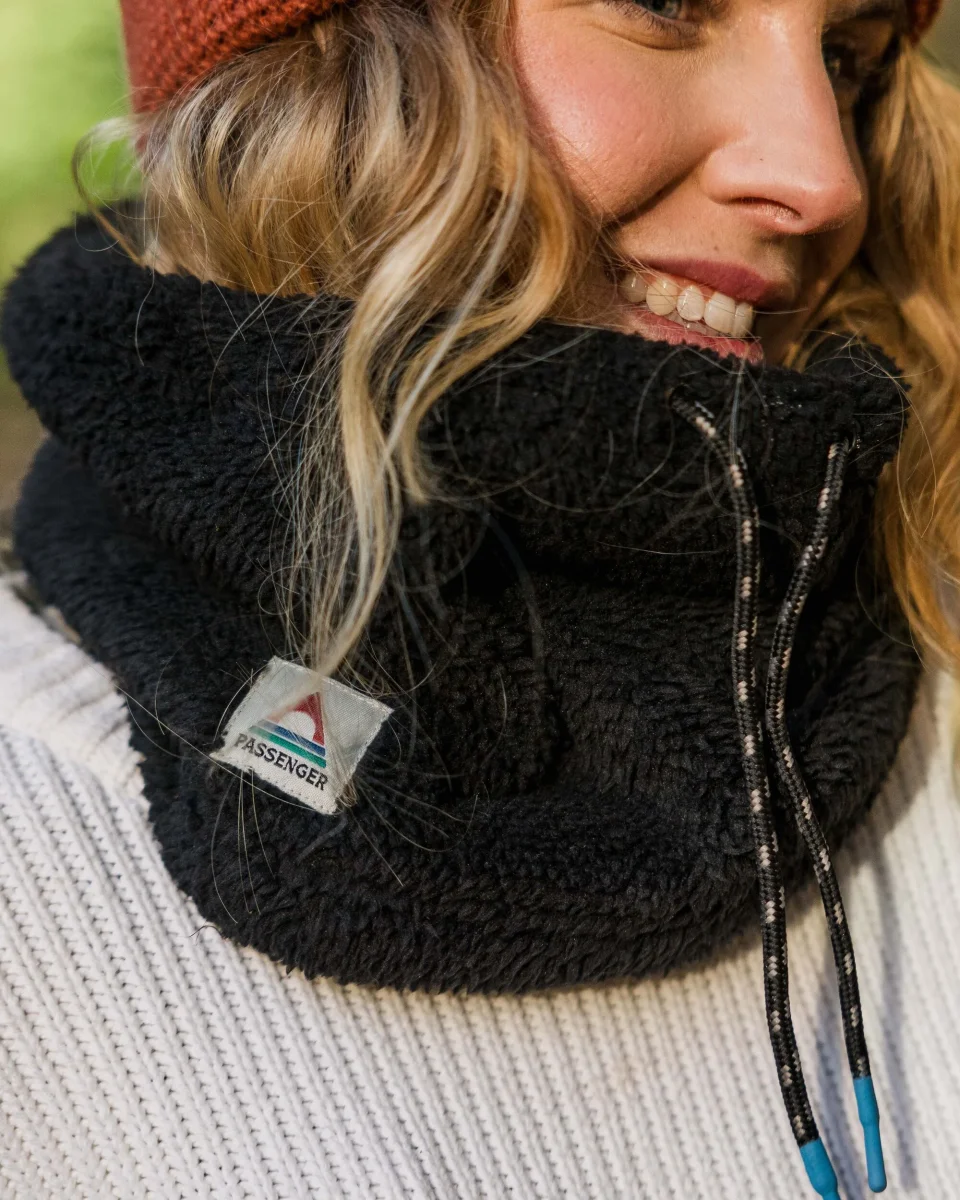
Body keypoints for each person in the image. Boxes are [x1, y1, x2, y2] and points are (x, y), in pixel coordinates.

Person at [1, 0, 959, 1195]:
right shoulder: (28, 843)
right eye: (665, 3)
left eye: (847, 56)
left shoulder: (929, 682)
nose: (823, 177)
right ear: (318, 68)